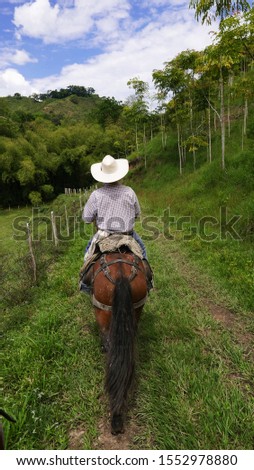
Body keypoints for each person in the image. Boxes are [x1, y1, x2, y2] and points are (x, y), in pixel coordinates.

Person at [80, 154, 153, 293]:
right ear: (119, 174)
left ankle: (86, 286)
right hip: (128, 235)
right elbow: (137, 213)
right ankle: (148, 282)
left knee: (87, 257)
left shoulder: (96, 194)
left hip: (104, 236)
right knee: (143, 253)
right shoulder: (129, 191)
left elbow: (87, 218)